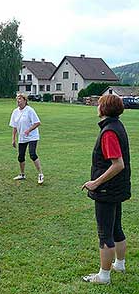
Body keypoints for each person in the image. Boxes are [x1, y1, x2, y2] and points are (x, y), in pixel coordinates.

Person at [82, 94, 131, 284]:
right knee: (115, 227)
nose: (97, 105)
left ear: (104, 109)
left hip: (107, 190)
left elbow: (118, 164)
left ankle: (104, 275)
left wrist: (96, 183)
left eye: (99, 103)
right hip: (116, 188)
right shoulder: (116, 126)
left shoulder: (109, 132)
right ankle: (119, 263)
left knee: (105, 233)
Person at [9, 93, 44, 184]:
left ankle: (40, 174)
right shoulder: (15, 112)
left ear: (25, 100)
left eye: (20, 99)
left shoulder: (30, 110)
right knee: (20, 156)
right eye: (17, 99)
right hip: (22, 137)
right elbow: (14, 127)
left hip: (32, 136)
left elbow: (37, 123)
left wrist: (29, 130)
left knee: (32, 154)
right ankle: (22, 174)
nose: (18, 101)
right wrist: (13, 139)